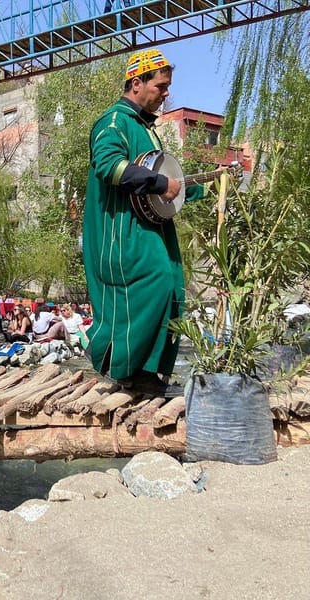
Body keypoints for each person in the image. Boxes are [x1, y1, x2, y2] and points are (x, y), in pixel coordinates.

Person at [83, 49, 213, 397]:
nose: (166, 93)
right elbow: (109, 166)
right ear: (137, 83)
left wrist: (210, 183)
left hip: (151, 229)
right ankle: (119, 367)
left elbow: (171, 178)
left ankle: (148, 371)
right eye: (161, 86)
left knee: (171, 284)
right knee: (152, 280)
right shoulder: (113, 122)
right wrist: (159, 183)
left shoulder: (147, 129)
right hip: (121, 233)